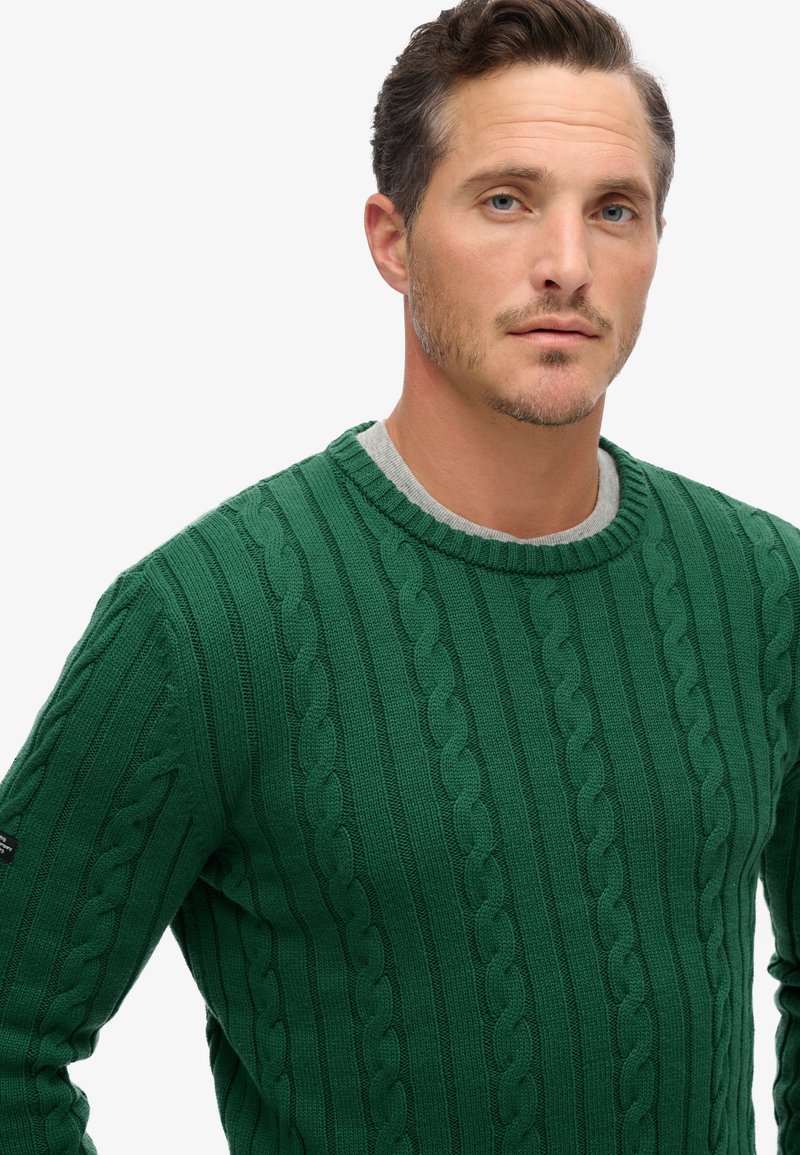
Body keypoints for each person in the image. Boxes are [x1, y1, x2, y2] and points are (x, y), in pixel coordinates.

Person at [0, 0, 797, 1151]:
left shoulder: (762, 590)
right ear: (391, 239)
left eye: (613, 210)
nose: (567, 265)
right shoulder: (202, 623)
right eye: (505, 200)